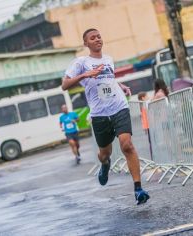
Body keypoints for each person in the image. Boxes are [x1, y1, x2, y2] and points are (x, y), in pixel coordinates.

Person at [61, 28, 149, 205]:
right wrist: (85, 74)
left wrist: (120, 85)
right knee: (104, 153)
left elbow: (108, 80)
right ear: (86, 43)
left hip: (118, 107)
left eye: (99, 36)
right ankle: (105, 164)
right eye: (92, 38)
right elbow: (64, 85)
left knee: (127, 145)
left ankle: (138, 189)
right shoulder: (81, 62)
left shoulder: (108, 59)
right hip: (100, 114)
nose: (97, 39)